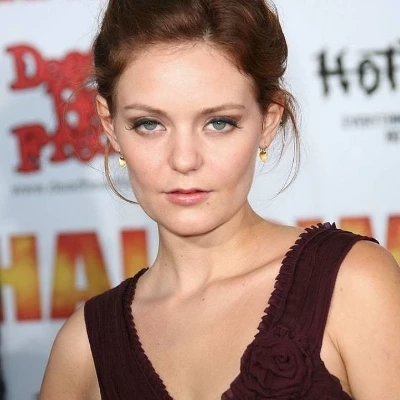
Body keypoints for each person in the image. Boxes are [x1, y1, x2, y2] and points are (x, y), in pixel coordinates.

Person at [39, 0, 400, 399]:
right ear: (110, 125)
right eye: (149, 124)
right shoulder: (84, 348)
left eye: (218, 123)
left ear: (268, 121)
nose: (184, 160)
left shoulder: (352, 284)